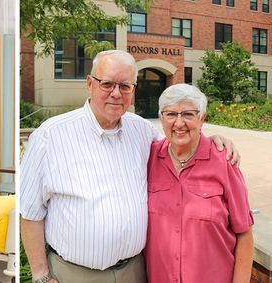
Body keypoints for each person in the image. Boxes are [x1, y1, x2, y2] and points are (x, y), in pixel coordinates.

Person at [19, 49, 239, 283]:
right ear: (90, 84)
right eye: (107, 84)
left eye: (125, 86)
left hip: (134, 273)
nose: (116, 93)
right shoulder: (51, 136)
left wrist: (211, 140)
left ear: (133, 90)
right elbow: (30, 212)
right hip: (74, 274)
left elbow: (179, 141)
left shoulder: (142, 131)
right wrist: (41, 276)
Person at [145, 83, 254, 283]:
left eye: (188, 114)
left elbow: (244, 235)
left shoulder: (224, 162)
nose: (179, 123)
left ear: (202, 118)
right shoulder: (148, 158)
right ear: (161, 119)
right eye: (171, 115)